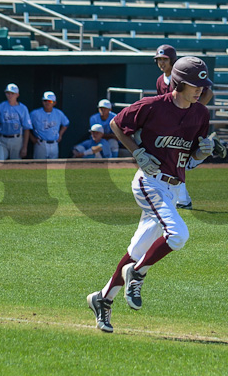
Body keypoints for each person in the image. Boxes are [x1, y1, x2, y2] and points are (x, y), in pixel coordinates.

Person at [87, 57, 214, 333]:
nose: (201, 91)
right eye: (196, 85)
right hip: (149, 182)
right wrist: (136, 151)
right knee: (178, 234)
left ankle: (102, 299)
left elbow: (189, 158)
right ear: (179, 83)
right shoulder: (153, 105)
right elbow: (117, 124)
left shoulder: (200, 114)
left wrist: (202, 154)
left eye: (203, 86)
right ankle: (138, 273)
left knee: (137, 250)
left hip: (172, 187)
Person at [152, 44, 214, 210]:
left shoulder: (182, 75)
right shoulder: (160, 80)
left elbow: (207, 93)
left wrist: (194, 110)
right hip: (170, 125)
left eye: (165, 59)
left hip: (186, 124)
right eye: (159, 59)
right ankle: (182, 198)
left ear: (172, 60)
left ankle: (182, 197)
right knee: (174, 160)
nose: (161, 63)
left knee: (179, 158)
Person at [0, 83, 32, 160]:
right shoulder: (1, 106)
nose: (10, 95)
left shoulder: (23, 108)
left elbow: (26, 129)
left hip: (17, 139)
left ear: (17, 95)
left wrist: (24, 147)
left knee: (16, 166)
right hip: (3, 139)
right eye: (8, 93)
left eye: (12, 93)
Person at [29, 91, 69, 159]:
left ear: (54, 103)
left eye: (50, 101)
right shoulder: (35, 113)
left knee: (53, 167)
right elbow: (26, 126)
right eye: (45, 101)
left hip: (54, 143)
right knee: (39, 167)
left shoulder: (59, 113)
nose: (47, 103)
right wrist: (32, 137)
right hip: (41, 143)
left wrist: (60, 134)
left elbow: (66, 123)